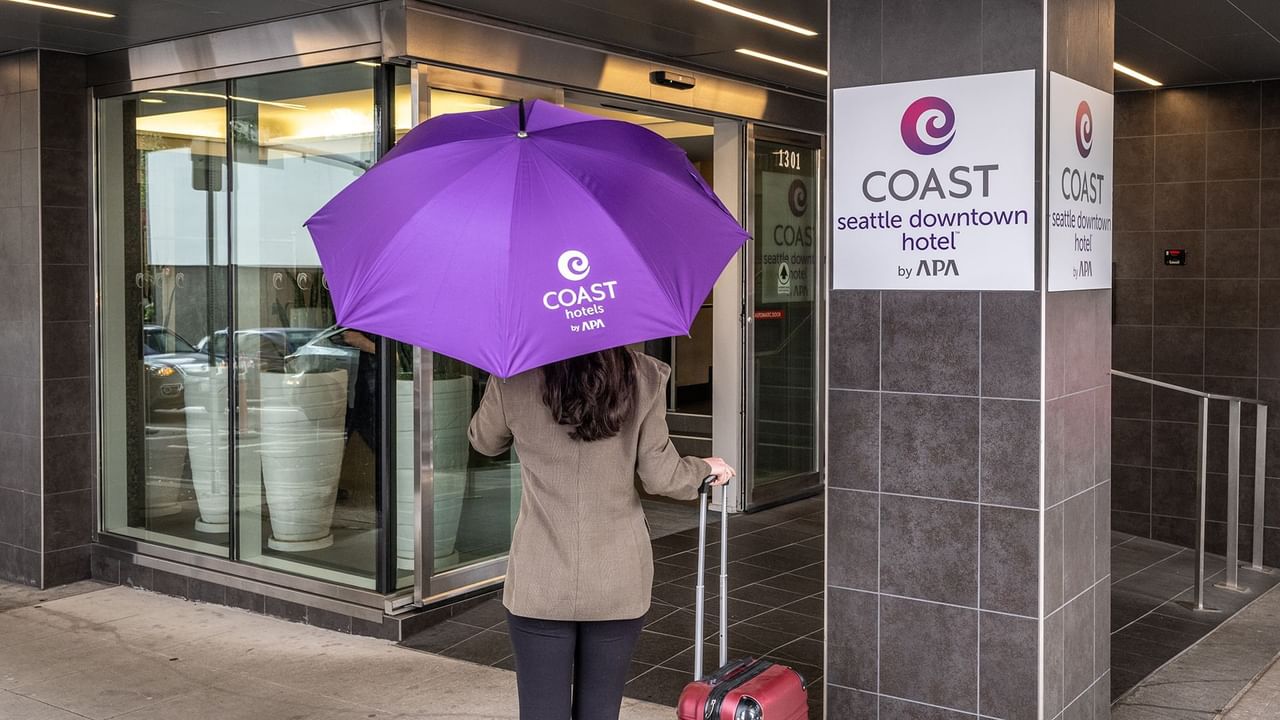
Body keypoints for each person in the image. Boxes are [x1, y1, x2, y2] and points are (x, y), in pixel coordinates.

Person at [468, 346, 735, 720]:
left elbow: (484, 440)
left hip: (539, 576)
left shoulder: (513, 376)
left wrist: (499, 376)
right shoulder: (644, 375)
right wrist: (701, 469)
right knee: (601, 711)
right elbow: (660, 475)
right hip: (618, 576)